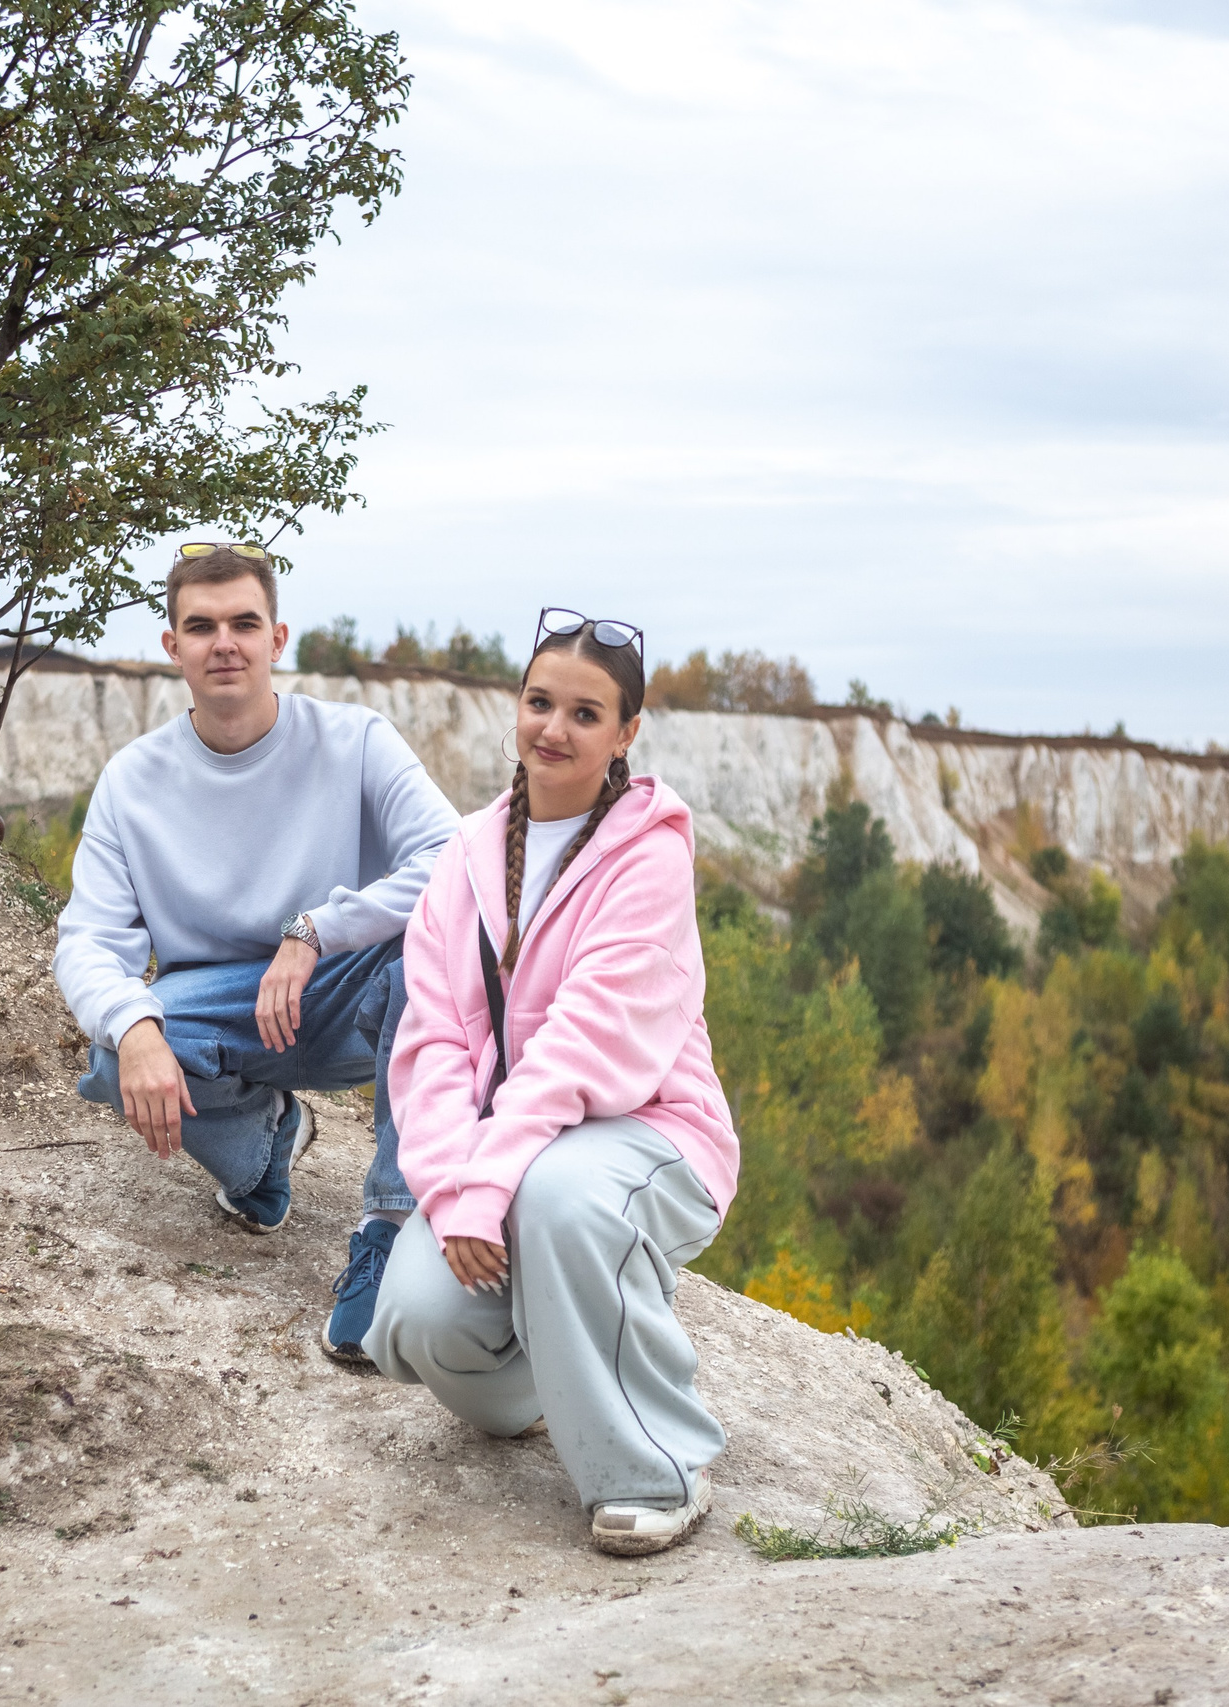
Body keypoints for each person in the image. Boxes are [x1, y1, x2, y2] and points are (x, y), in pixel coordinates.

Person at [365, 609, 740, 1556]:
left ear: (625, 733)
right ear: (516, 707)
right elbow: (434, 1042)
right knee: (417, 1314)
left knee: (560, 1198)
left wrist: (492, 1185)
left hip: (650, 1134)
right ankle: (558, 1369)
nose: (554, 730)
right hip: (515, 1148)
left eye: (585, 712)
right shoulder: (468, 854)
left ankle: (658, 1468)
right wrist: (454, 1193)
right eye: (540, 702)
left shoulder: (648, 857)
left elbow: (581, 1049)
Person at [52, 542, 461, 1360]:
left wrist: (315, 929)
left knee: (434, 947)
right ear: (173, 648)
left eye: (244, 622)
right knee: (110, 1055)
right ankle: (260, 1149)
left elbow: (456, 863)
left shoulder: (354, 741)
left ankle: (388, 1223)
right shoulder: (133, 781)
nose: (224, 643)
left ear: (278, 638)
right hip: (230, 1011)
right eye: (201, 626)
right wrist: (136, 1030)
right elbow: (88, 941)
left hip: (354, 1002)